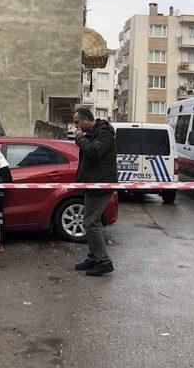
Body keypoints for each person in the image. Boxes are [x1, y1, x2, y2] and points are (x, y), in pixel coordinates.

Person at [72, 108, 118, 277]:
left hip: (101, 185)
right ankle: (93, 258)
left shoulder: (104, 132)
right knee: (93, 222)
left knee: (90, 223)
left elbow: (94, 152)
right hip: (92, 184)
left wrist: (80, 139)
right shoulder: (93, 132)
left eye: (77, 122)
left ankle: (104, 262)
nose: (75, 126)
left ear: (85, 120)